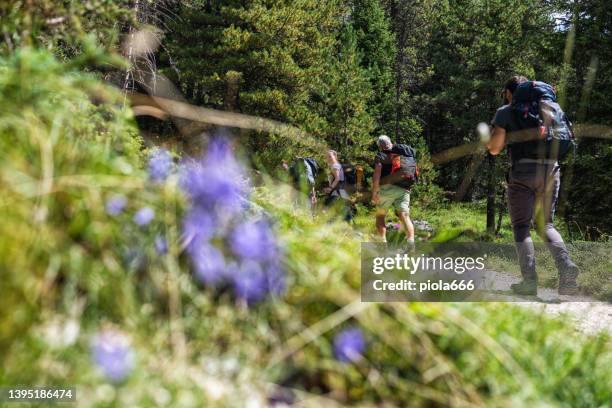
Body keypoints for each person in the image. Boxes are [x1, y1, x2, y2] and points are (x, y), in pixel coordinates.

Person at [487, 75, 580, 295]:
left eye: (505, 94)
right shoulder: (551, 108)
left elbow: (494, 149)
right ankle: (566, 267)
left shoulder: (506, 111)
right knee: (545, 225)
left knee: (521, 227)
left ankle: (529, 282)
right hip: (551, 170)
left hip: (523, 172)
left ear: (510, 92)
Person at [371, 135, 415, 244]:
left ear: (380, 146)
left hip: (387, 188)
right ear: (390, 142)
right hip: (404, 188)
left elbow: (377, 174)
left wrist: (375, 192)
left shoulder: (381, 155)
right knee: (404, 216)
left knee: (380, 215)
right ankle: (411, 244)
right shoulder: (404, 152)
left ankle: (382, 244)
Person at [323, 150, 353, 222]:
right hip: (340, 189)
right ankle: (352, 225)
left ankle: (326, 224)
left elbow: (337, 178)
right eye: (327, 156)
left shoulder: (335, 165)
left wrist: (330, 188)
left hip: (337, 190)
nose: (328, 158)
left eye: (330, 156)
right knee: (343, 208)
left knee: (327, 206)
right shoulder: (336, 165)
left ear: (335, 157)